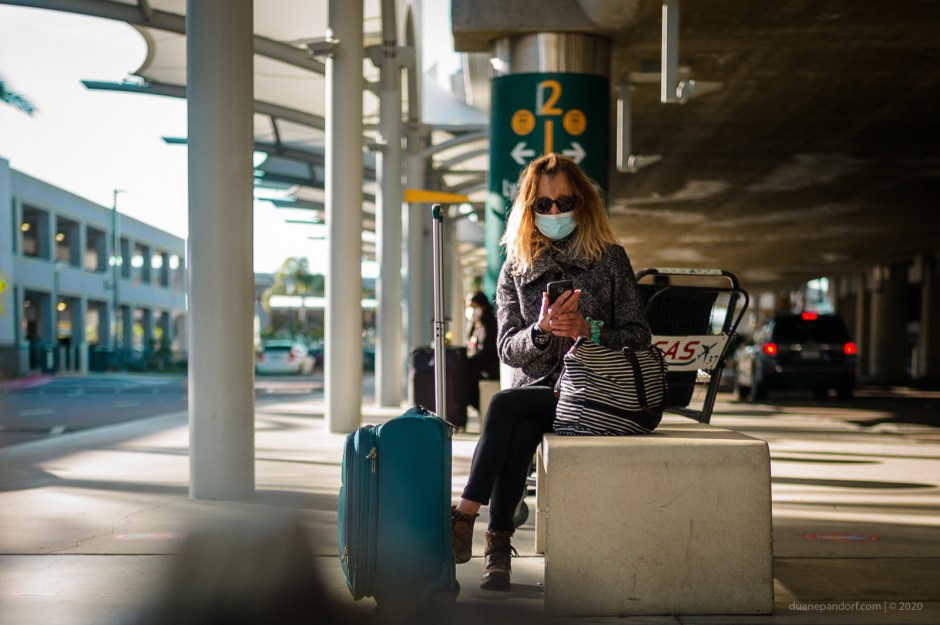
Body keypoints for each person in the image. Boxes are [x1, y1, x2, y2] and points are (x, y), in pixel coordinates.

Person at [450, 153, 652, 591]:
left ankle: (467, 517)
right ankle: (496, 546)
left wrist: (588, 330)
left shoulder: (611, 259)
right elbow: (506, 348)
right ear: (529, 209)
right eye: (544, 204)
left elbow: (640, 337)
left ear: (583, 203)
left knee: (504, 406)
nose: (555, 211)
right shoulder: (515, 267)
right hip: (540, 393)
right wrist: (540, 331)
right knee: (520, 427)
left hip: (595, 393)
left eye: (565, 202)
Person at [464, 290, 500, 413]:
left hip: (488, 370)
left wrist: (468, 360)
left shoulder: (490, 325)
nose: (471, 310)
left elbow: (487, 352)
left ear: (483, 306)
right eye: (468, 306)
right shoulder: (474, 325)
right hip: (477, 368)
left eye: (473, 306)